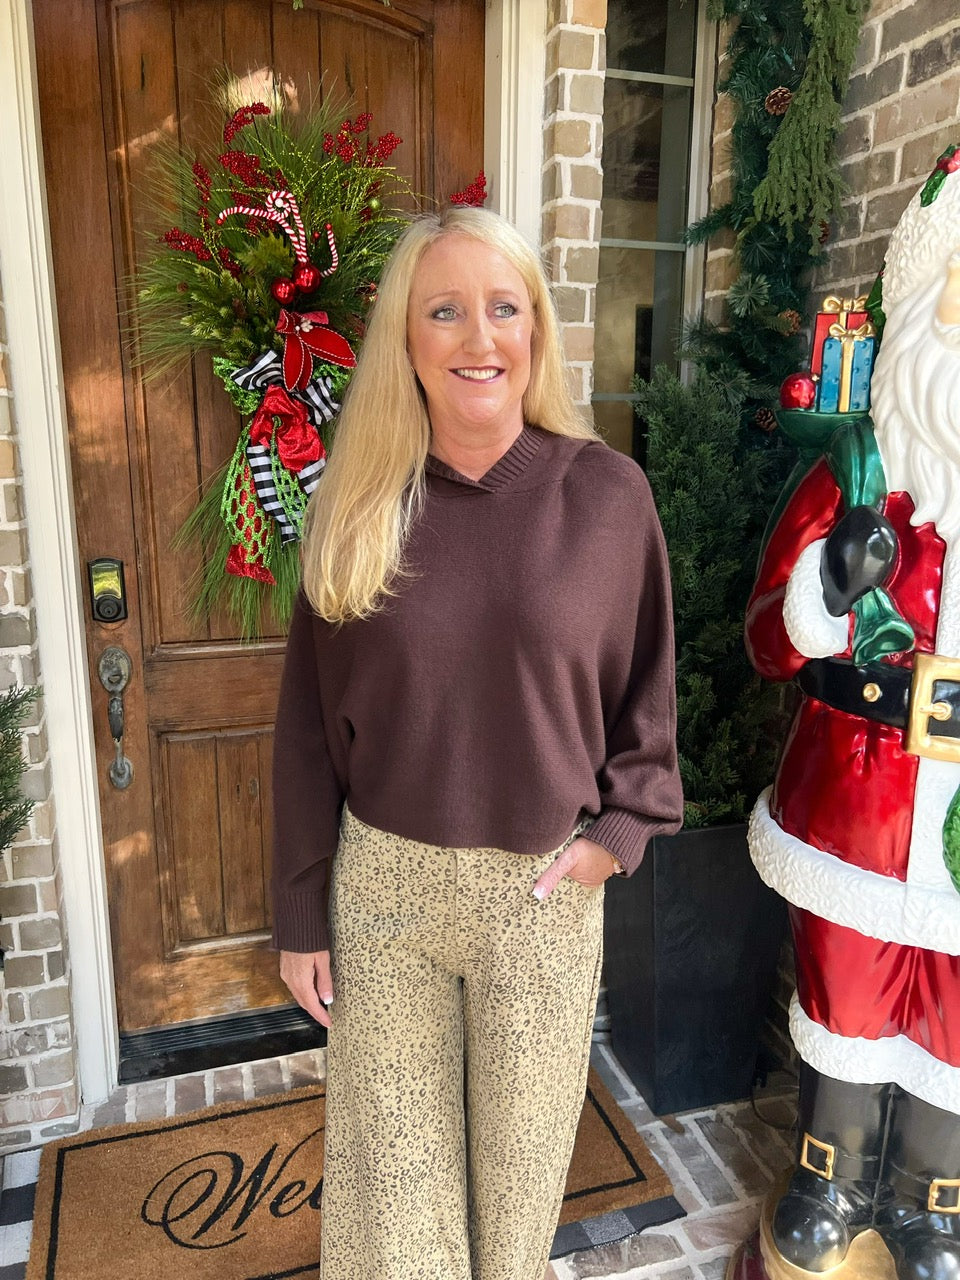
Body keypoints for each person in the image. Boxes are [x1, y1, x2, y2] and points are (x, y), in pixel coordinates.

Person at [271, 205, 682, 1280]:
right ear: (406, 340)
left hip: (538, 900)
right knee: (397, 1217)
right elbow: (307, 731)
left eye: (504, 308)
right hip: (387, 900)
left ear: (536, 331)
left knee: (512, 1220)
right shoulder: (356, 506)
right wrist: (301, 904)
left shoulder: (607, 498)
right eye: (444, 310)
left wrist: (619, 833)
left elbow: (649, 698)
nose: (477, 338)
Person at [744, 147, 960, 1280]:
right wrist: (829, 588)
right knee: (851, 980)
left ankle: (934, 1200)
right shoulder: (859, 471)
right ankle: (831, 1172)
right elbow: (766, 641)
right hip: (857, 804)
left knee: (955, 1016)